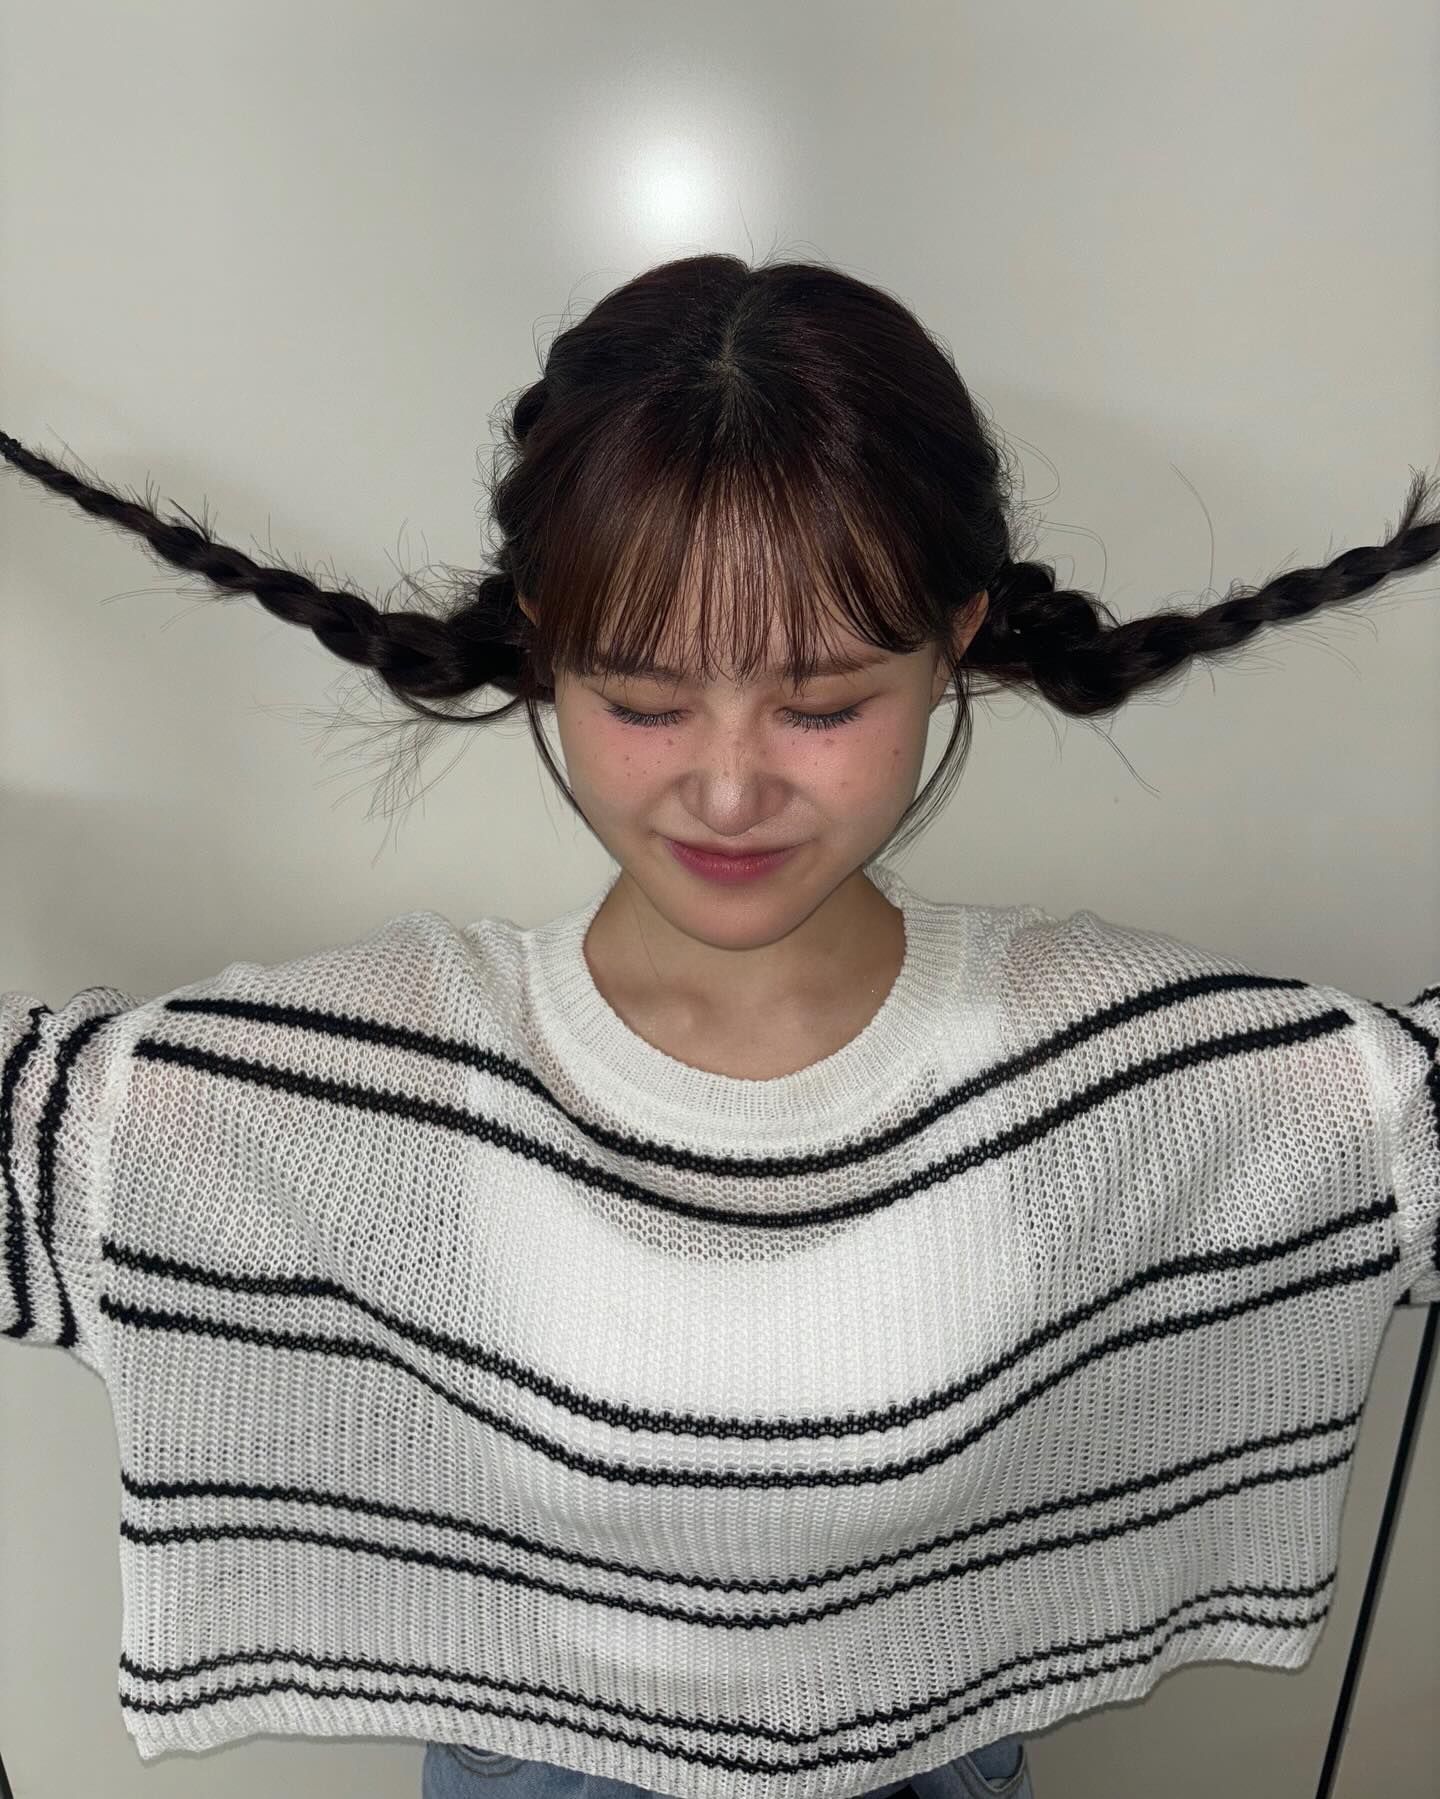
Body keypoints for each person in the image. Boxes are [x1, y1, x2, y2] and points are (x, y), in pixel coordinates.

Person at [2, 252, 1436, 1799]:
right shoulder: (380, 1079)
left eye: (821, 706)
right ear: (545, 650)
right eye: (642, 702)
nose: (732, 790)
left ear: (954, 642)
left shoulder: (1102, 1072)